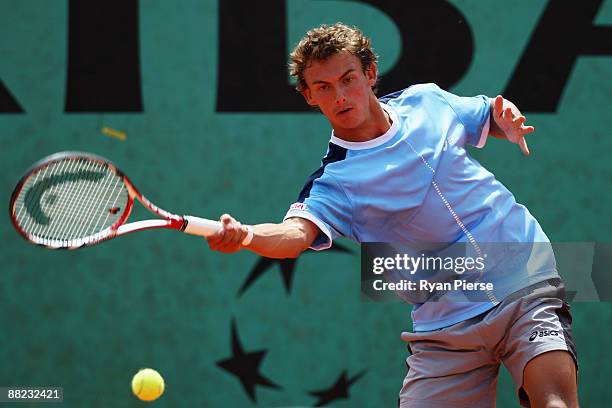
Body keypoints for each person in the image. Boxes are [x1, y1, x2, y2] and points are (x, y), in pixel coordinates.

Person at [207, 23, 579, 408]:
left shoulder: (427, 101)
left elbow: (486, 114)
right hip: (445, 327)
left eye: (348, 79)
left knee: (555, 404)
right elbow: (292, 235)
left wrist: (506, 120)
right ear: (309, 96)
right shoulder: (335, 181)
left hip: (522, 278)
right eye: (324, 87)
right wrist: (247, 234)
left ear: (370, 74)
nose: (340, 96)